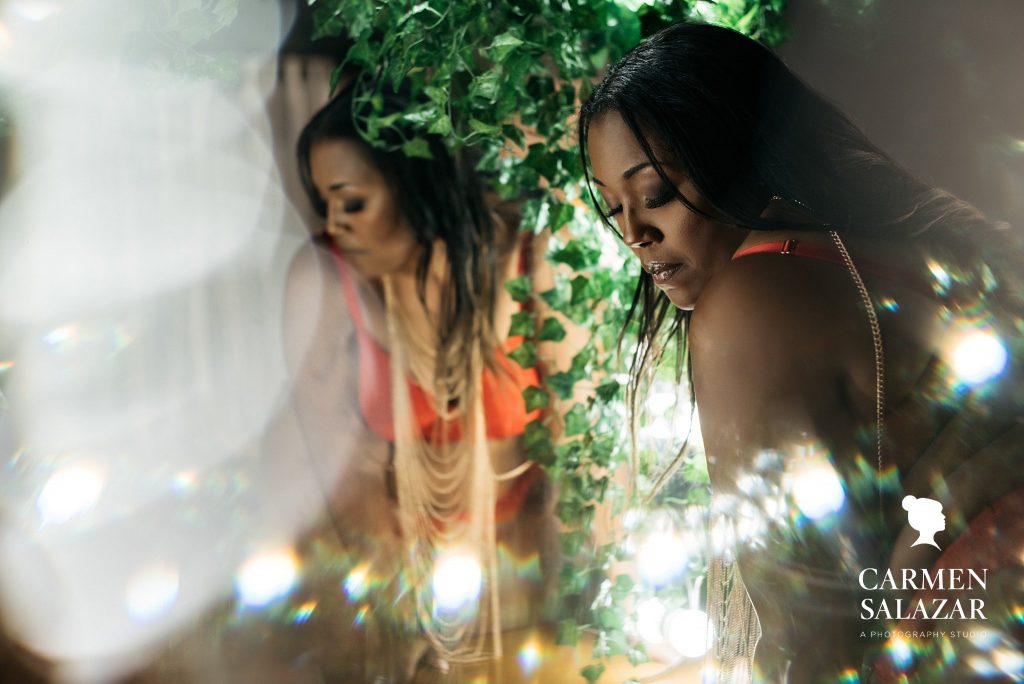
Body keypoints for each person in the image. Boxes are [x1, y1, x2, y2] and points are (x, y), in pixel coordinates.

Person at [579, 22, 1024, 683]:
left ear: (733, 154)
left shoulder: (752, 302)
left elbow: (796, 622)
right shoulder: (903, 243)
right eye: (613, 209)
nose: (636, 235)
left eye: (655, 196)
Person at [286, 82, 570, 680]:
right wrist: (405, 619)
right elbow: (337, 468)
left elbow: (575, 441)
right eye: (323, 202)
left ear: (415, 184)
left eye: (352, 201)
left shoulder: (528, 254)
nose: (335, 222)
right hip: (403, 592)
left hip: (527, 582)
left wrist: (562, 592)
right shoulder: (324, 280)